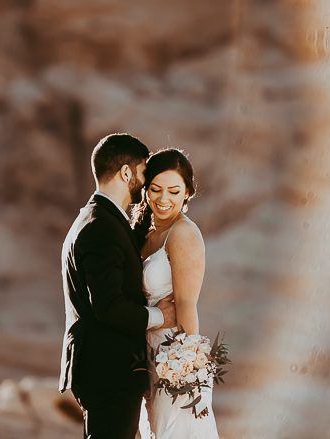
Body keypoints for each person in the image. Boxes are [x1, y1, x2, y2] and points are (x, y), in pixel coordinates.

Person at [59, 133, 177, 438]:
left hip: (102, 368)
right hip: (107, 369)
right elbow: (108, 306)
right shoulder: (101, 227)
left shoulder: (99, 219)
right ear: (126, 173)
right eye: (142, 172)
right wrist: (161, 317)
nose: (145, 180)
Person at [133, 148, 219, 438]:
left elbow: (186, 304)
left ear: (188, 193)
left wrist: (189, 371)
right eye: (155, 189)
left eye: (173, 190)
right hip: (146, 352)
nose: (163, 199)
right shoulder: (147, 233)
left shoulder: (183, 233)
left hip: (173, 358)